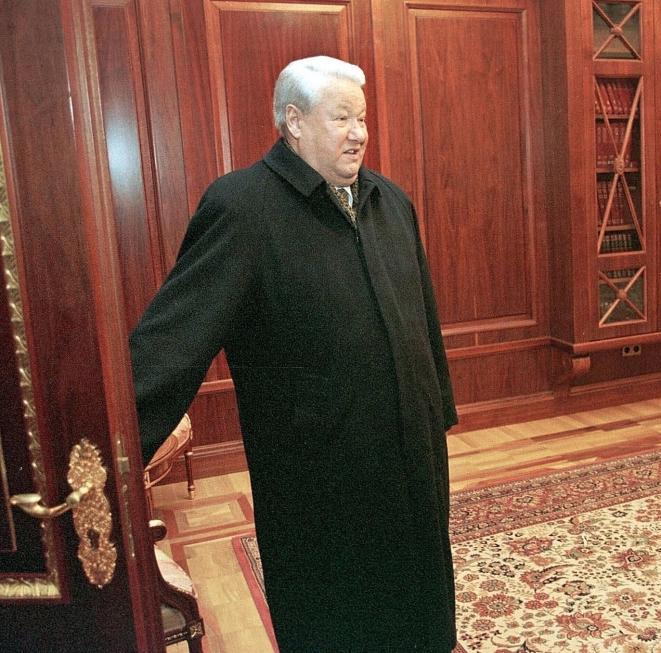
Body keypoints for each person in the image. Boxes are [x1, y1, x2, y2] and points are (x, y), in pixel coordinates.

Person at [130, 55, 458, 652]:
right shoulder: (241, 207)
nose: (359, 133)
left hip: (411, 460)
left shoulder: (390, 200)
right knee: (336, 622)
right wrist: (113, 446)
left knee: (419, 617)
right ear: (295, 121)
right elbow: (172, 338)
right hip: (319, 477)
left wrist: (438, 415)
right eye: (342, 118)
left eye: (362, 118)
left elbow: (424, 324)